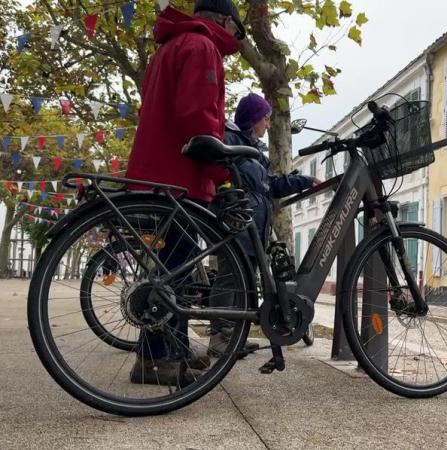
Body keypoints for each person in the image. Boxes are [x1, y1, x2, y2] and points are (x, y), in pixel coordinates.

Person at [124, 0, 244, 385]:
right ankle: (157, 359)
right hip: (178, 176)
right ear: (225, 20)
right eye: (236, 29)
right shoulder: (201, 46)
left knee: (170, 268)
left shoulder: (169, 46)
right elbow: (199, 121)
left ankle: (162, 352)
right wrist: (222, 172)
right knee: (177, 273)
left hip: (154, 172)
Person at [207, 92, 320, 355]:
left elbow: (273, 184)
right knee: (229, 279)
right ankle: (219, 337)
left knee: (245, 283)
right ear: (253, 119)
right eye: (265, 119)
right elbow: (261, 182)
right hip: (235, 223)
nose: (268, 125)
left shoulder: (255, 150)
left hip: (253, 228)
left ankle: (233, 336)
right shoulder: (232, 141)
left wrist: (303, 181)